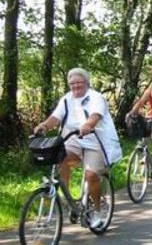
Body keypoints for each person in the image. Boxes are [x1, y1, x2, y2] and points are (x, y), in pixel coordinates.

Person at [33, 67, 122, 227]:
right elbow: (56, 117)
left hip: (95, 140)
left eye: (79, 83)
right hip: (73, 138)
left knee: (91, 175)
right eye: (72, 83)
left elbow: (96, 115)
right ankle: (67, 200)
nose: (75, 86)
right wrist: (45, 125)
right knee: (60, 158)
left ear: (86, 83)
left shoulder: (96, 97)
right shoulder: (67, 99)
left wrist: (88, 124)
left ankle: (96, 211)